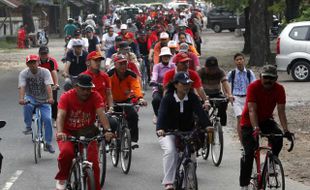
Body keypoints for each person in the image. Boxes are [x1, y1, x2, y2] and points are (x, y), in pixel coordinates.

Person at [239, 65, 294, 190]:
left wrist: (286, 130)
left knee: (278, 137)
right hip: (249, 122)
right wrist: (256, 128)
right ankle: (244, 185)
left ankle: (271, 164)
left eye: (272, 78)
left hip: (265, 120)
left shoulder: (279, 89)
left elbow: (281, 111)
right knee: (248, 154)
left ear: (276, 79)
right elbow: (252, 110)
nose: (268, 81)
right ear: (260, 77)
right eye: (266, 78)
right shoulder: (253, 87)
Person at [55, 74, 113, 190]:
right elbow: (60, 115)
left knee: (94, 164)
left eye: (88, 89)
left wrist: (108, 130)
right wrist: (60, 132)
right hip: (68, 132)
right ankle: (63, 177)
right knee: (67, 153)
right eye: (83, 89)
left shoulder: (95, 96)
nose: (86, 92)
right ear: (76, 87)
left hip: (88, 132)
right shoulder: (66, 97)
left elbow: (101, 114)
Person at [156, 72, 210, 190]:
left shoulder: (193, 98)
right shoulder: (168, 98)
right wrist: (160, 128)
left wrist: (208, 126)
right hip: (168, 132)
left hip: (187, 131)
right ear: (175, 85)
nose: (187, 86)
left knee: (191, 155)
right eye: (183, 84)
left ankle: (190, 175)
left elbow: (200, 113)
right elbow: (162, 114)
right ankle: (169, 182)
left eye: (188, 84)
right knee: (171, 151)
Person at [18, 54, 55, 153]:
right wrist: (21, 99)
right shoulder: (24, 73)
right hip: (31, 97)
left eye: (34, 62)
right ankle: (28, 126)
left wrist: (50, 98)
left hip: (44, 99)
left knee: (47, 119)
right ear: (27, 64)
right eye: (30, 63)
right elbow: (22, 86)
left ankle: (48, 143)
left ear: (38, 62)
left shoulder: (45, 72)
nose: (32, 65)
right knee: (27, 105)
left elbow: (48, 85)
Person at [107, 54, 147, 144]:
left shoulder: (131, 75)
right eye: (120, 64)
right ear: (115, 65)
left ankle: (132, 139)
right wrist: (109, 104)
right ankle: (109, 140)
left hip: (126, 101)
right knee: (110, 120)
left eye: (125, 63)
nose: (123, 66)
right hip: (113, 102)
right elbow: (107, 90)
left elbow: (136, 87)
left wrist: (140, 98)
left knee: (133, 115)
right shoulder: (109, 75)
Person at [227, 53, 256, 142]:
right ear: (235, 62)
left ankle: (252, 138)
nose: (239, 61)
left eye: (241, 59)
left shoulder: (249, 73)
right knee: (240, 118)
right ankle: (242, 141)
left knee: (250, 118)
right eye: (237, 60)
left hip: (248, 98)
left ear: (244, 60)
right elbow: (225, 84)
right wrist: (229, 95)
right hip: (236, 98)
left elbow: (254, 85)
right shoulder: (232, 73)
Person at [198, 56, 233, 126]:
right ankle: (204, 123)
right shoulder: (201, 71)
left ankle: (220, 121)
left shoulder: (220, 71)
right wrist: (200, 96)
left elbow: (225, 82)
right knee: (202, 108)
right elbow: (197, 85)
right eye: (210, 69)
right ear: (206, 67)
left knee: (224, 101)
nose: (212, 71)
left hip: (216, 93)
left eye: (214, 68)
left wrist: (229, 94)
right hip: (204, 94)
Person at [150, 47, 176, 124]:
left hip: (170, 88)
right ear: (161, 57)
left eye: (167, 56)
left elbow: (176, 75)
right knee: (156, 100)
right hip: (158, 88)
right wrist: (153, 81)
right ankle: (157, 115)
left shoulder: (173, 66)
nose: (166, 57)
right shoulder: (157, 66)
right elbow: (154, 75)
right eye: (164, 56)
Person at [38, 46, 60, 126]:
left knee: (53, 101)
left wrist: (56, 84)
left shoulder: (51, 61)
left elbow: (54, 72)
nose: (44, 55)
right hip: (40, 83)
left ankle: (56, 119)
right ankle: (42, 117)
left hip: (51, 83)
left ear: (48, 54)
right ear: (39, 54)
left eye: (45, 54)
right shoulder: (36, 61)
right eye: (42, 54)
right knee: (40, 101)